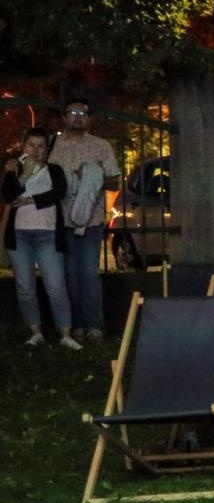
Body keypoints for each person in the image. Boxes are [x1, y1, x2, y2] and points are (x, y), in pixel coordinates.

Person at [47, 97, 120, 342]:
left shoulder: (101, 146)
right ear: (64, 117)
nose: (78, 117)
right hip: (60, 219)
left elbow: (115, 181)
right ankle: (76, 324)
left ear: (89, 118)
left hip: (90, 220)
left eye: (83, 113)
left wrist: (94, 175)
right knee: (69, 273)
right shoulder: (53, 145)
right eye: (73, 112)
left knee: (88, 271)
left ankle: (95, 325)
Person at [4, 128, 79, 349]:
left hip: (47, 233)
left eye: (40, 146)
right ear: (23, 146)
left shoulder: (54, 170)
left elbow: (59, 192)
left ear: (46, 149)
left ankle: (65, 333)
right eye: (31, 145)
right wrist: (24, 174)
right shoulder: (13, 168)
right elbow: (8, 195)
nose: (35, 150)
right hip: (19, 234)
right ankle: (35, 331)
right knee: (25, 286)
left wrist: (29, 201)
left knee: (55, 285)